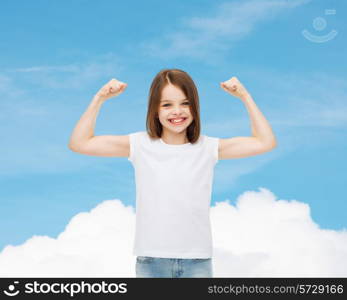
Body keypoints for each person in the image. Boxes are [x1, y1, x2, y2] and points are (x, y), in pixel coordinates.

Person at [68, 68, 277, 278]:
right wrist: (99, 98)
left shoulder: (208, 148)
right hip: (151, 260)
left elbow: (265, 142)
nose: (177, 111)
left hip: (197, 261)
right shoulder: (140, 144)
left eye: (185, 103)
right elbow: (80, 143)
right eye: (167, 105)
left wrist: (245, 96)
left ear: (195, 108)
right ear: (155, 111)